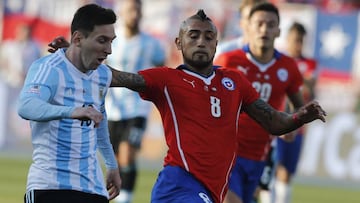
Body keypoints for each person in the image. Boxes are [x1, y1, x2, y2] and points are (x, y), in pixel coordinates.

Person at [48, 9, 326, 203]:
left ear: (217, 43)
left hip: (213, 189)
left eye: (208, 36)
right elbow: (115, 77)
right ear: (179, 42)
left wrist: (300, 117)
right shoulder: (166, 79)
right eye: (193, 35)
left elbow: (273, 121)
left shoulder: (235, 81)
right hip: (179, 185)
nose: (201, 41)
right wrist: (76, 56)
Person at [17, 4, 121, 203]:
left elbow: (100, 123)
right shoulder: (49, 69)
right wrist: (72, 111)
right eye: (102, 40)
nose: (108, 50)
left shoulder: (101, 74)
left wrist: (112, 165)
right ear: (77, 39)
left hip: (93, 188)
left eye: (111, 41)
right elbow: (26, 105)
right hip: (51, 187)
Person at [215, 2, 305, 203]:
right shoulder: (228, 61)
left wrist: (294, 123)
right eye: (259, 23)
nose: (265, 29)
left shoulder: (288, 67)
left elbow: (299, 106)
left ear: (279, 30)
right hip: (228, 152)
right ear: (247, 27)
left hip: (262, 154)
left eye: (271, 24)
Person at [106, 1, 166, 202]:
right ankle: (119, 195)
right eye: (131, 10)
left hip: (137, 108)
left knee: (127, 154)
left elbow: (162, 70)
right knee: (115, 161)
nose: (134, 14)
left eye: (137, 10)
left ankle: (127, 199)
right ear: (123, 12)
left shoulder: (151, 43)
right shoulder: (112, 41)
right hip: (112, 109)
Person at [272, 21, 318, 203]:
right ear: (288, 39)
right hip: (275, 122)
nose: (297, 44)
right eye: (294, 40)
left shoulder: (309, 64)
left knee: (287, 174)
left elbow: (310, 89)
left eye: (300, 41)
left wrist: (295, 74)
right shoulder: (278, 60)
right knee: (276, 170)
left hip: (297, 127)